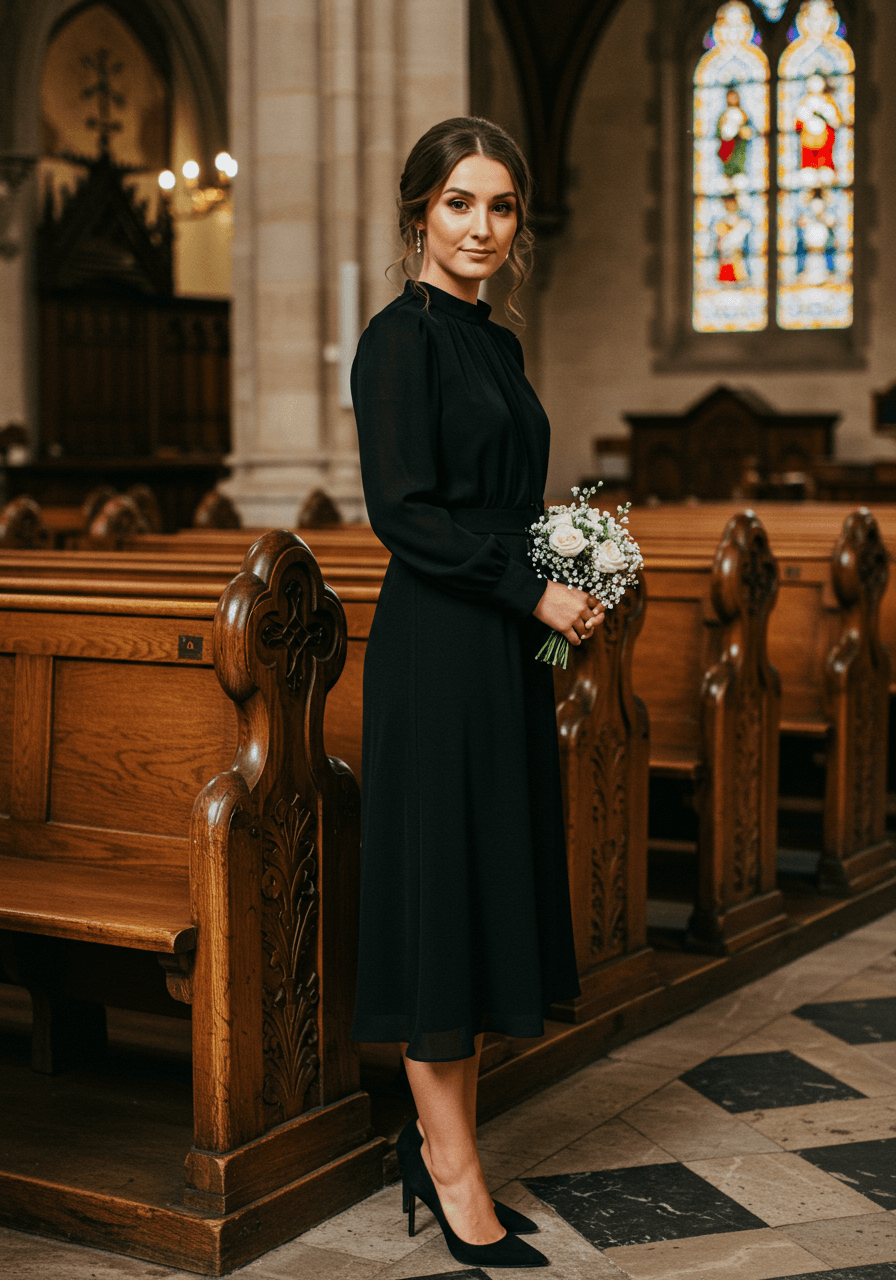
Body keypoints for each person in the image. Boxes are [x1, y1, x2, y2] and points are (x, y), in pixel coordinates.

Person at [350, 116, 604, 1270]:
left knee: (487, 875)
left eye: (499, 206)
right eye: (459, 202)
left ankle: (447, 1144)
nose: (481, 227)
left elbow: (508, 499)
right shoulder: (395, 341)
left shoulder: (495, 345)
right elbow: (404, 513)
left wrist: (569, 577)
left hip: (501, 638)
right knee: (438, 893)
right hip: (439, 644)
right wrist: (529, 587)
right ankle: (450, 1168)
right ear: (418, 213)